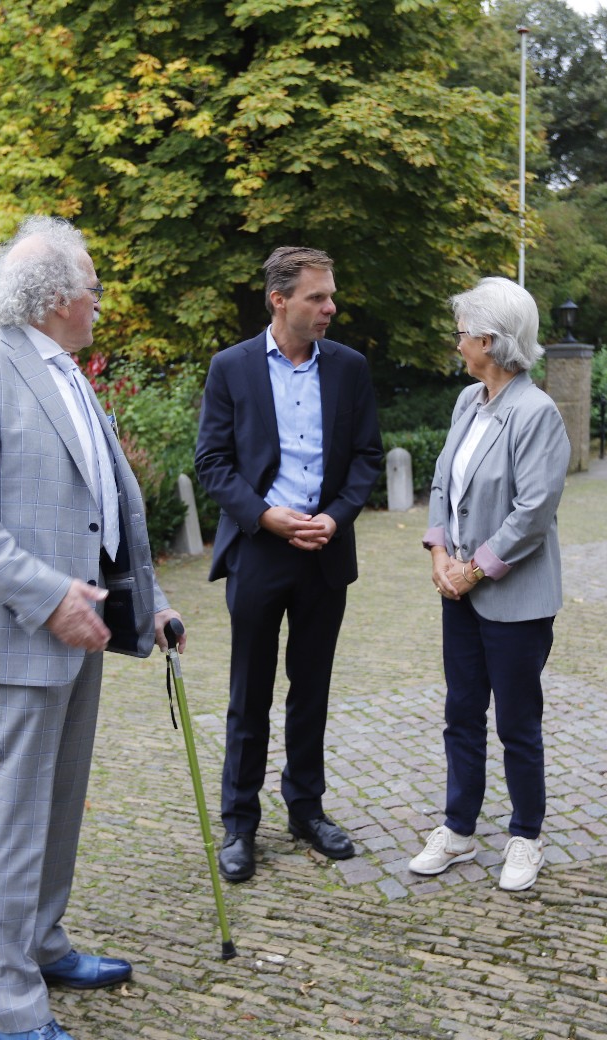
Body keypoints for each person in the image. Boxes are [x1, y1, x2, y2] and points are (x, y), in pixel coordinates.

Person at [0, 216, 184, 1040]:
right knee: (15, 818)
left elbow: (105, 508)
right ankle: (14, 1009)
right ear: (57, 296)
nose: (102, 300)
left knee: (60, 802)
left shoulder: (67, 372)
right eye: (94, 286)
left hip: (84, 626)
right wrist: (46, 596)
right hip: (23, 629)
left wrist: (150, 601)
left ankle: (43, 944)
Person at [194, 246, 383, 883]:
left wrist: (338, 515)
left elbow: (367, 456)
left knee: (312, 690)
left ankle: (306, 809)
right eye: (317, 297)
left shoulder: (350, 367)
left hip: (325, 553)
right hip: (259, 550)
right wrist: (263, 515)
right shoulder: (231, 367)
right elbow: (212, 461)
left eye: (331, 296)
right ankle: (239, 824)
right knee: (249, 693)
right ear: (280, 301)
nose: (331, 308)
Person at [408, 276, 569, 893]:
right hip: (459, 591)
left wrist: (471, 570)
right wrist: (438, 552)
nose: (457, 342)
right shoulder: (467, 403)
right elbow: (442, 482)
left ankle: (526, 835)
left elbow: (533, 513)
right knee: (461, 712)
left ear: (490, 340)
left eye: (462, 333)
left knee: (517, 724)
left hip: (513, 598)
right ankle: (458, 829)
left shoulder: (536, 412)